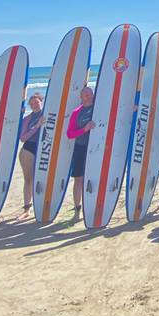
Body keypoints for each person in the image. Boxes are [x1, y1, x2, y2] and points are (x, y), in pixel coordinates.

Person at [66, 86, 95, 222]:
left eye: (90, 94)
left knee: (94, 178)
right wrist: (84, 129)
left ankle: (91, 207)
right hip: (81, 148)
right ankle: (77, 209)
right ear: (81, 97)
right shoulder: (76, 112)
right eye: (86, 95)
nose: (89, 96)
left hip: (96, 149)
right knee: (78, 179)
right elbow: (70, 134)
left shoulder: (99, 107)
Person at [18, 92, 45, 217]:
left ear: (41, 102)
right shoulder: (27, 119)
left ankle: (41, 205)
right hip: (28, 150)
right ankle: (27, 209)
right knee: (29, 179)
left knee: (41, 178)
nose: (35, 105)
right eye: (32, 103)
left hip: (44, 149)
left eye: (37, 102)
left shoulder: (47, 114)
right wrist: (37, 126)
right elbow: (23, 138)